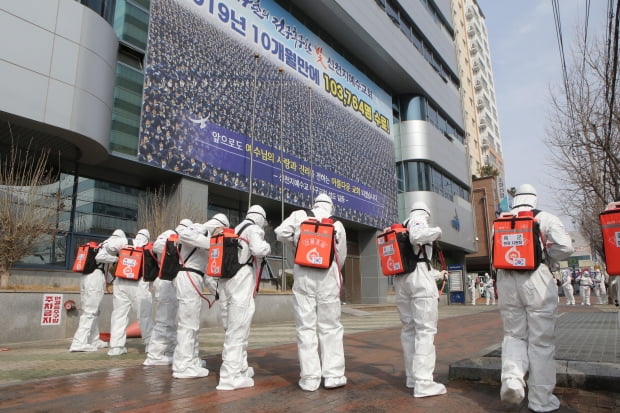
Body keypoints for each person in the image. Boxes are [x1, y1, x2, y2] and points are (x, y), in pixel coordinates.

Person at [496, 184, 573, 412]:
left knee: (513, 335)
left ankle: (512, 379)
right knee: (541, 341)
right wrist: (547, 254)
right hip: (535, 277)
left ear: (516, 200)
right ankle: (540, 399)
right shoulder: (545, 218)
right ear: (534, 199)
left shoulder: (500, 221)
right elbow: (565, 247)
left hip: (506, 278)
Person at [274, 193, 348, 391]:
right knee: (330, 327)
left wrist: (296, 247)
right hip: (327, 275)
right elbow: (341, 257)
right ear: (330, 207)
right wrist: (331, 266)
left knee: (305, 327)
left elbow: (280, 232)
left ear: (314, 204)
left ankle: (309, 378)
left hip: (304, 274)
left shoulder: (300, 215)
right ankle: (333, 375)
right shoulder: (337, 224)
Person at [392, 201, 448, 397]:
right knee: (425, 330)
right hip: (419, 282)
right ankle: (424, 382)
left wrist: (438, 275)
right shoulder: (418, 220)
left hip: (402, 281)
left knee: (409, 330)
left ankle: (412, 377)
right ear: (427, 212)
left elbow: (419, 263)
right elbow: (417, 236)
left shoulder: (402, 226)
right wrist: (437, 231)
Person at [216, 205, 271, 390]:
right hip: (241, 278)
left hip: (226, 280)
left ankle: (240, 367)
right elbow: (258, 250)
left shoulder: (236, 228)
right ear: (261, 218)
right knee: (238, 327)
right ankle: (229, 377)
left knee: (234, 326)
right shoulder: (254, 229)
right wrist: (267, 246)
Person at [172, 215, 228, 379]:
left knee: (193, 323)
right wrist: (210, 244)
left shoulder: (209, 237)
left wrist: (217, 293)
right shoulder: (200, 228)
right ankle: (183, 366)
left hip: (195, 278)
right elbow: (183, 235)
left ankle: (192, 360)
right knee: (188, 324)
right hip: (188, 276)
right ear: (220, 226)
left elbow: (209, 275)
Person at [143, 219, 192, 366]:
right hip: (165, 283)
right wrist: (174, 243)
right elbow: (157, 246)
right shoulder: (170, 234)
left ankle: (168, 351)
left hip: (171, 283)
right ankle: (154, 355)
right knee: (164, 321)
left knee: (171, 321)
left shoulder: (177, 237)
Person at [70, 229, 127, 352]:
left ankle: (93, 340)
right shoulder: (112, 245)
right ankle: (78, 342)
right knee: (90, 312)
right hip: (94, 278)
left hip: (86, 277)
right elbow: (100, 258)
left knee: (93, 311)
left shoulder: (103, 244)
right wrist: (117, 260)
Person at [107, 229, 153, 356]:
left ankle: (116, 347)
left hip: (120, 282)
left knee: (118, 315)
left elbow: (109, 247)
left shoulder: (125, 242)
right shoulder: (146, 246)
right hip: (138, 283)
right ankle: (149, 344)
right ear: (147, 238)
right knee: (144, 315)